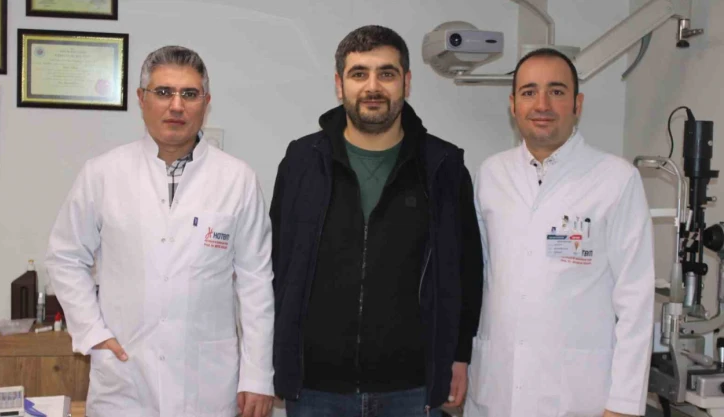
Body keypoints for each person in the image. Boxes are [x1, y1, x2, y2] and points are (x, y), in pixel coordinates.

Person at [45, 46, 275, 417]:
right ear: (142, 98)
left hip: (208, 383)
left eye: (190, 94)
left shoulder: (237, 179)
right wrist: (92, 333)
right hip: (124, 378)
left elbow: (255, 283)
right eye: (164, 92)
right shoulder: (103, 173)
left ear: (206, 102)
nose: (176, 105)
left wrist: (258, 376)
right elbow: (65, 257)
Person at [270, 25, 483, 417]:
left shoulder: (443, 166)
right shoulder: (302, 161)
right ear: (340, 85)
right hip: (315, 388)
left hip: (413, 388)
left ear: (406, 82)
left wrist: (459, 354)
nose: (373, 86)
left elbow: (465, 271)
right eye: (359, 73)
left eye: (386, 73)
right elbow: (276, 266)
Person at [465, 48, 654, 417]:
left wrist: (624, 404)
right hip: (497, 390)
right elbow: (480, 280)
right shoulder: (490, 175)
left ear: (577, 104)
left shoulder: (616, 179)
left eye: (556, 91)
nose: (542, 104)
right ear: (513, 105)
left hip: (579, 397)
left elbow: (636, 298)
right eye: (529, 92)